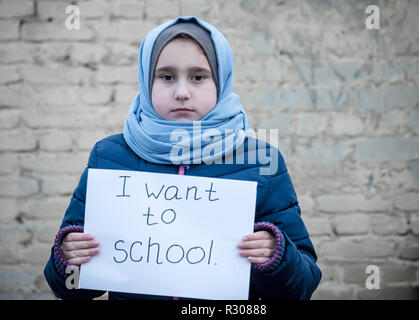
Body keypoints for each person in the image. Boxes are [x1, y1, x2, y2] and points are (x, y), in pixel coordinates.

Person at [44, 16, 322, 300]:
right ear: (146, 80)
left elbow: (302, 288)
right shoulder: (108, 157)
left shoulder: (261, 160)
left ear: (221, 82)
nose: (181, 92)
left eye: (198, 77)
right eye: (166, 77)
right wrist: (68, 259)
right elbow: (68, 289)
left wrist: (277, 255)